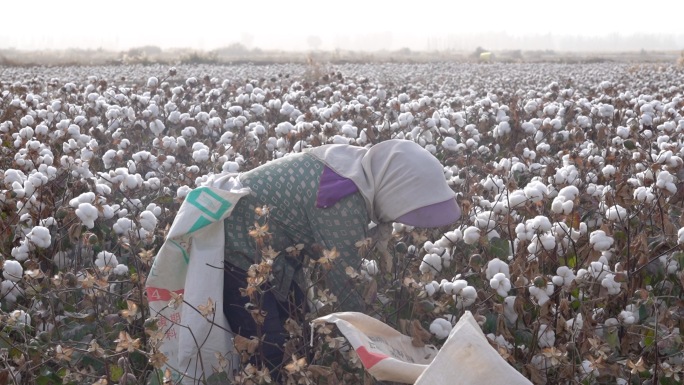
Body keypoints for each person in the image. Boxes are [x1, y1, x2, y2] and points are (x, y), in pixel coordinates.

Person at [221, 139, 461, 374]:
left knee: (300, 333)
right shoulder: (344, 201)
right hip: (238, 250)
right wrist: (380, 341)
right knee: (268, 346)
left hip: (273, 253)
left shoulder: (354, 169)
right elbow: (344, 283)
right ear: (395, 188)